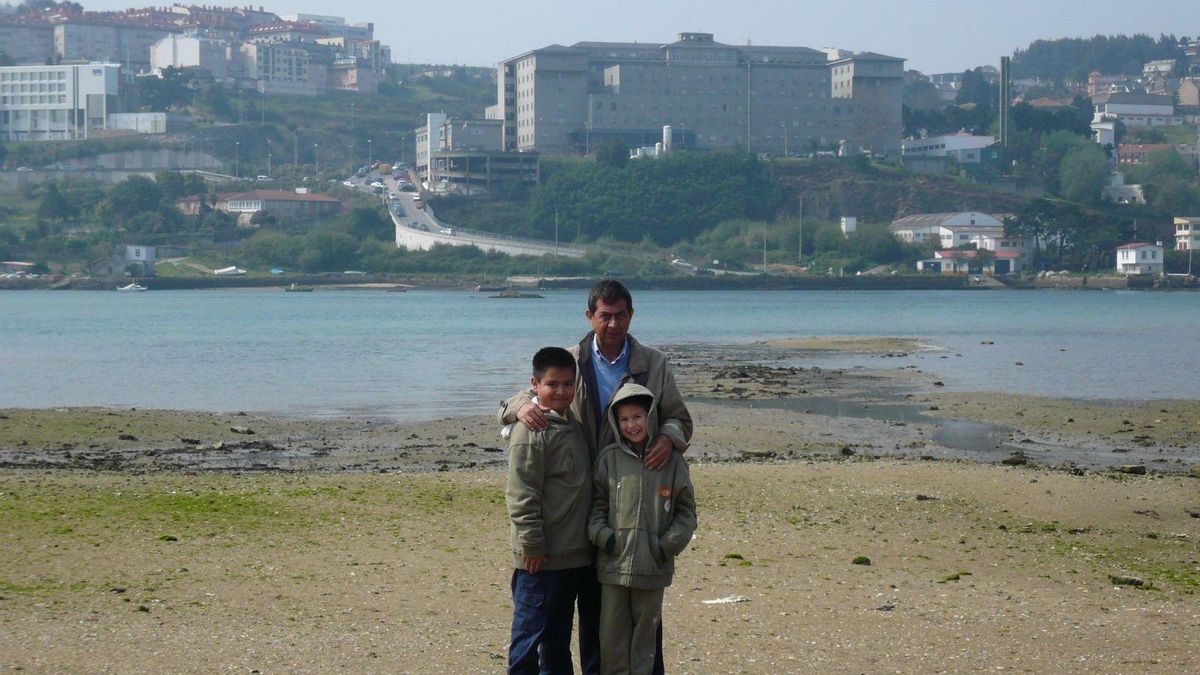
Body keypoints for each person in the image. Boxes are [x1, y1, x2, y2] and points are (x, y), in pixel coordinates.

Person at [498, 279, 693, 675]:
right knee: (562, 628)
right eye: (605, 315)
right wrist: (520, 407)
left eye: (621, 315)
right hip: (578, 511)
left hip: (631, 510)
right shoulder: (571, 361)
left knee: (629, 623)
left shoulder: (653, 363)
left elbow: (679, 417)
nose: (613, 324)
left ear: (631, 315)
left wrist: (669, 440)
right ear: (590, 316)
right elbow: (530, 394)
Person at [589, 383, 697, 675]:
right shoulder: (609, 459)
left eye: (637, 417)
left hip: (653, 569)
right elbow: (595, 508)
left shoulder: (671, 462)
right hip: (613, 566)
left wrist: (665, 546)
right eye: (624, 419)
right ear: (615, 422)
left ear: (650, 417)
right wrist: (605, 538)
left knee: (645, 642)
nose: (631, 425)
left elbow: (687, 514)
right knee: (611, 640)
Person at [506, 347, 593, 674]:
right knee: (528, 642)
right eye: (552, 385)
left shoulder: (570, 423)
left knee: (557, 644)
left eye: (568, 385)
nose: (561, 392)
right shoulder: (531, 431)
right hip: (538, 559)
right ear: (535, 385)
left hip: (571, 556)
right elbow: (521, 493)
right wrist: (531, 543)